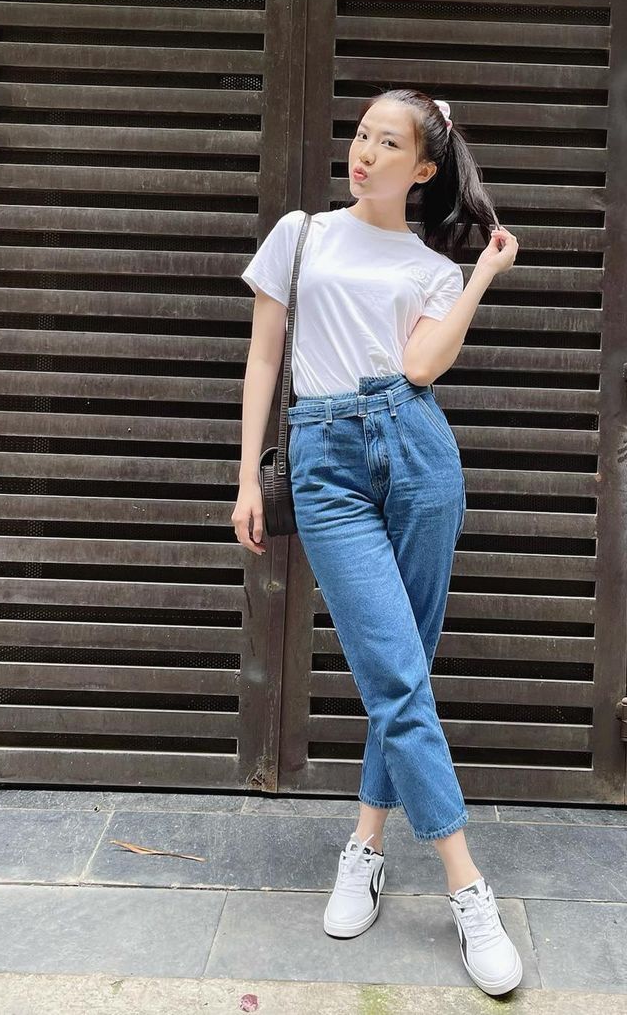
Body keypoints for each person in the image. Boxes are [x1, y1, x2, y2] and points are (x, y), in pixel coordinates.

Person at [232, 88, 521, 996]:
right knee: (396, 670)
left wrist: (482, 274)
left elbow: (421, 366)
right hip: (324, 461)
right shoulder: (302, 234)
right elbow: (265, 357)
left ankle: (365, 843)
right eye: (361, 135)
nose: (363, 152)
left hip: (418, 454)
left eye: (386, 143)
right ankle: (468, 886)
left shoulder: (432, 268)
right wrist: (246, 476)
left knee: (403, 672)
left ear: (423, 167)